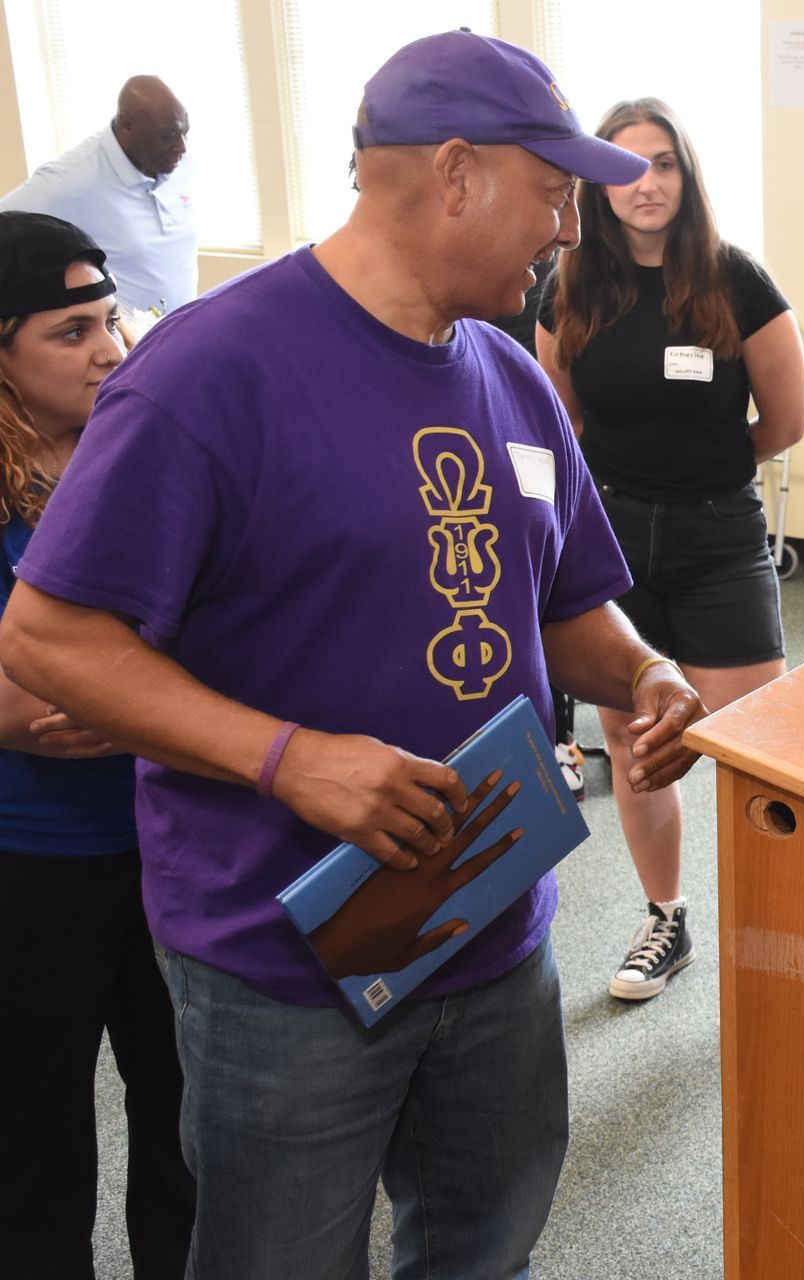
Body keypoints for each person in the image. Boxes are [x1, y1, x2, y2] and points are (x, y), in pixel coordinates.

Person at [0, 31, 706, 1279]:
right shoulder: (209, 372)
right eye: (550, 195)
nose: (562, 232)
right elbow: (51, 633)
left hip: (493, 914)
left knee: (485, 1241)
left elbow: (571, 605)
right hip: (281, 954)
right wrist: (289, 760)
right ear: (452, 174)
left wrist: (644, 671)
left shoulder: (514, 376)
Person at [536, 97, 804, 1003]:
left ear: (686, 176)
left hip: (718, 533)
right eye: (624, 166)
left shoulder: (737, 282)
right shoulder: (568, 285)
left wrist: (702, 475)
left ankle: (781, 934)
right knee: (635, 739)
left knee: (759, 744)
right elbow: (557, 420)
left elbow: (785, 423)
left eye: (662, 164)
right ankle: (666, 917)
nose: (644, 183)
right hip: (609, 536)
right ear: (597, 181)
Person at [0, 212, 193, 1279]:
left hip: (168, 837)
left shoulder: (135, 450)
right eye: (71, 331)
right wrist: (128, 696)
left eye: (111, 320)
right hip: (32, 855)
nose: (111, 351)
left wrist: (107, 699)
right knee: (37, 1133)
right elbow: (25, 707)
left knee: (182, 1116)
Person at [0, 77, 194, 316]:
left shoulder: (178, 163)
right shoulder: (71, 180)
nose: (181, 146)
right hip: (125, 347)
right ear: (126, 126)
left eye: (185, 132)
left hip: (179, 332)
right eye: (167, 136)